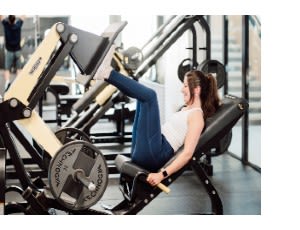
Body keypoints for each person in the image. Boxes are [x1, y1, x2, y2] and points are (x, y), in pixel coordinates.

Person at [95, 45, 221, 187]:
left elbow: (187, 154)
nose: (182, 90)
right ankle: (106, 74)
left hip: (156, 154)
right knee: (142, 99)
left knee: (150, 96)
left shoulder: (197, 117)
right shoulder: (187, 109)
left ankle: (107, 73)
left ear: (196, 90)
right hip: (150, 149)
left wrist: (162, 175)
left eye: (185, 86)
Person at [1, 15, 25, 91]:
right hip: (18, 51)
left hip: (9, 51)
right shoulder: (18, 24)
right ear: (15, 19)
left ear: (8, 19)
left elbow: (1, 16)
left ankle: (7, 82)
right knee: (19, 68)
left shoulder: (6, 24)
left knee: (7, 69)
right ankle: (18, 84)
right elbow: (23, 16)